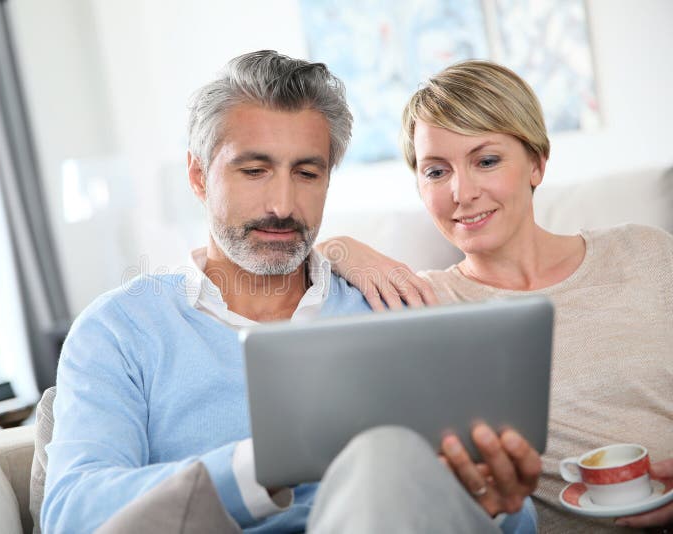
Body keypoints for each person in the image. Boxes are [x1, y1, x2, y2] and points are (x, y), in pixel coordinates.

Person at [40, 51, 541, 533]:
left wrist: (494, 505)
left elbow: (514, 520)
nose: (282, 204)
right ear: (198, 175)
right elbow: (72, 515)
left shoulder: (390, 310)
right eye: (254, 171)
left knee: (382, 459)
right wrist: (260, 465)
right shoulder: (121, 329)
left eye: (306, 173)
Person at [320, 59, 673, 533]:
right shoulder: (419, 302)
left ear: (536, 163)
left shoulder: (644, 252)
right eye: (436, 171)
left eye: (486, 161)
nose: (461, 192)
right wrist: (340, 249)